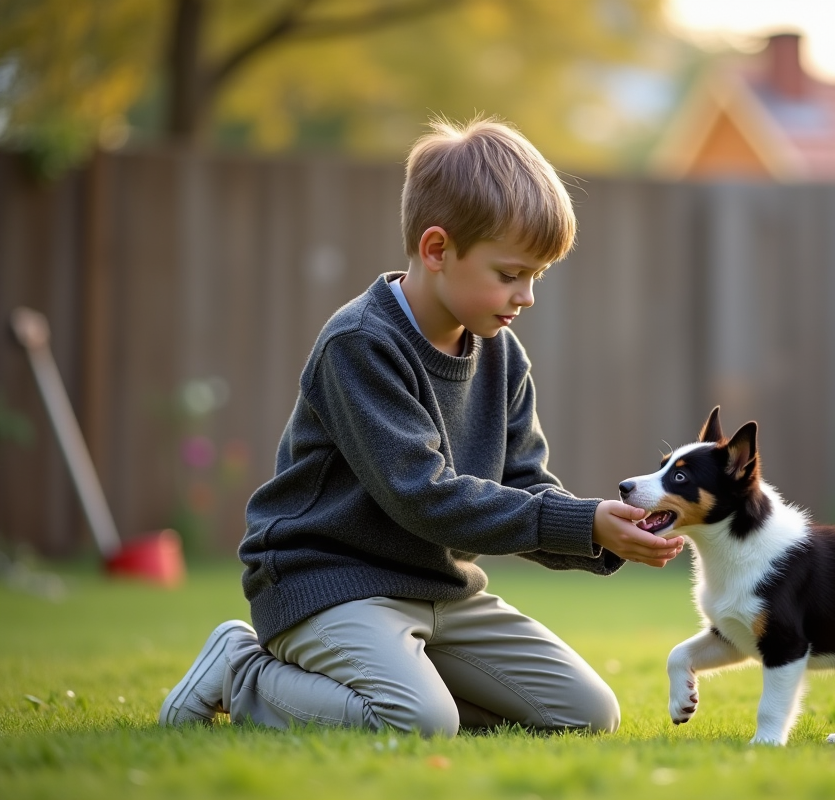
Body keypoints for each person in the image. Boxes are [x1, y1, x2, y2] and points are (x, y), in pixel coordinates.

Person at [159, 117, 684, 736]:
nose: (527, 296)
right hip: (329, 585)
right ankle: (241, 670)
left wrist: (599, 530)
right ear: (437, 250)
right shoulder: (361, 344)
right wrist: (579, 522)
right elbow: (421, 494)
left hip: (441, 589)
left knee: (587, 714)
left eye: (536, 278)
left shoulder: (503, 354)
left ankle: (413, 685)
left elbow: (523, 485)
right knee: (418, 722)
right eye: (510, 274)